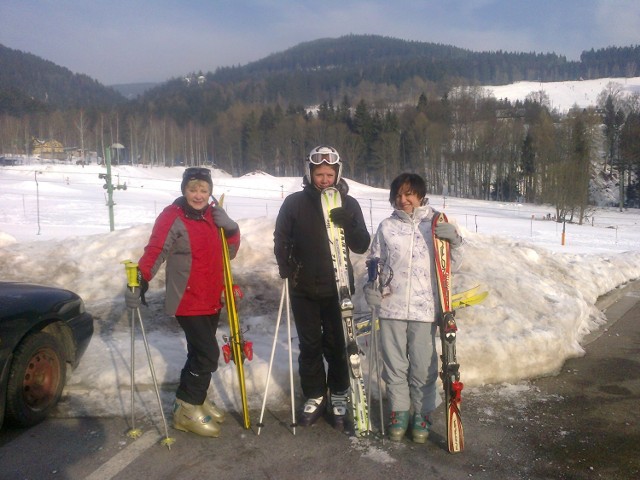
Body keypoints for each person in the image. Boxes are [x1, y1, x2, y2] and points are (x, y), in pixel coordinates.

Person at [124, 167, 240, 438]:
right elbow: (156, 250)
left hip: (211, 298)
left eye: (203, 190)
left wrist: (231, 228)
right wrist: (141, 278)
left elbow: (229, 253)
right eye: (192, 189)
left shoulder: (214, 215)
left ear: (210, 191)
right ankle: (187, 411)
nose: (198, 195)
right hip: (187, 299)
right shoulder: (172, 216)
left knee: (198, 354)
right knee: (207, 355)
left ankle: (192, 401)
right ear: (184, 190)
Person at [273, 145, 370, 431]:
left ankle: (339, 392)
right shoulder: (294, 203)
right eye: (319, 174)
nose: (325, 179)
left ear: (337, 174)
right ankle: (315, 393)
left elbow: (361, 244)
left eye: (329, 174)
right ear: (310, 173)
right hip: (303, 286)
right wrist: (285, 264)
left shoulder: (348, 204)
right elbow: (281, 237)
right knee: (310, 345)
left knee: (338, 345)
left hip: (338, 288)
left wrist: (349, 223)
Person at [363, 172, 463, 443]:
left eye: (408, 193)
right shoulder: (386, 226)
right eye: (398, 194)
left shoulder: (435, 224)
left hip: (424, 308)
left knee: (422, 366)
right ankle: (400, 411)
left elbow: (453, 265)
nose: (402, 199)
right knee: (394, 366)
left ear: (420, 195)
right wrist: (370, 287)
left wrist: (455, 240)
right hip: (390, 307)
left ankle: (422, 412)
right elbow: (375, 261)